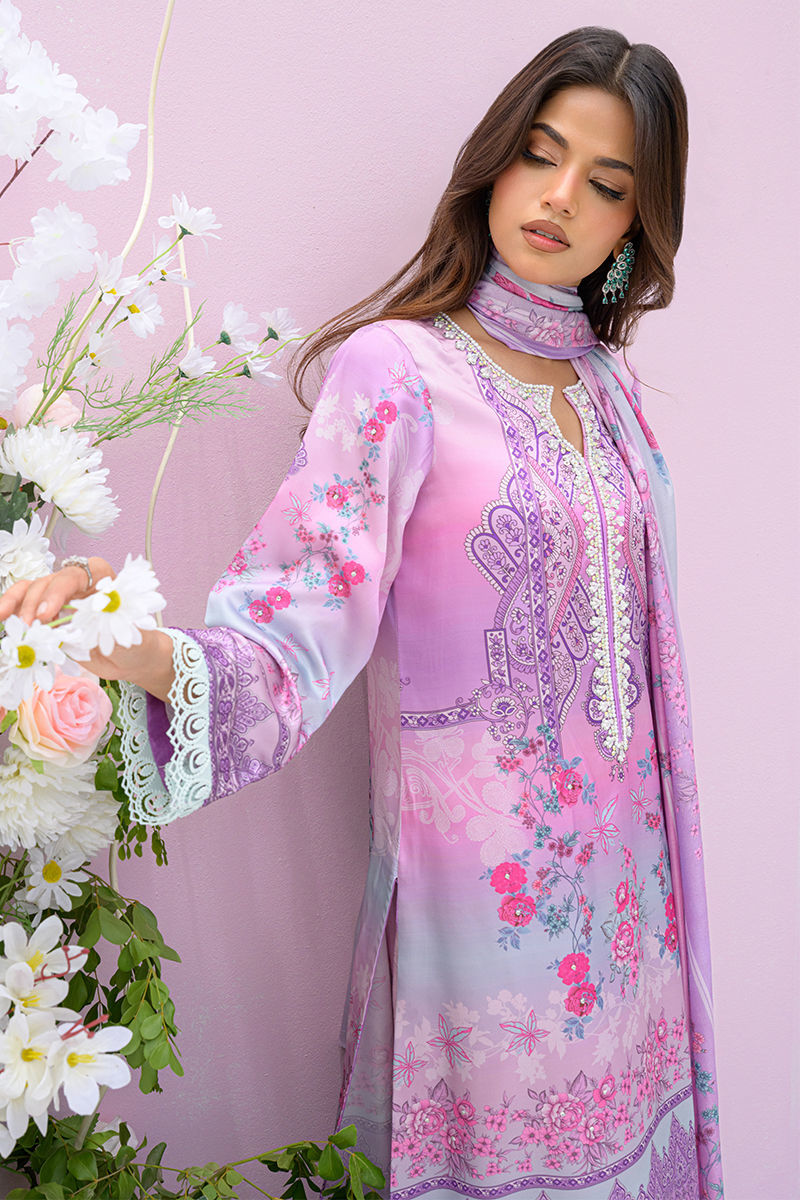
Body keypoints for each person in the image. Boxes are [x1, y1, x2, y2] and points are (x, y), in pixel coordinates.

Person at [0, 26, 724, 1200]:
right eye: (540, 155)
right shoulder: (399, 373)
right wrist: (125, 639)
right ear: (493, 160)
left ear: (635, 224)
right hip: (482, 923)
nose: (557, 198)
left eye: (604, 184)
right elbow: (299, 616)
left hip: (631, 907)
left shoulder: (608, 389)